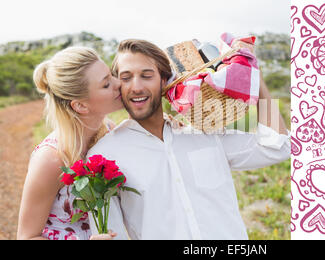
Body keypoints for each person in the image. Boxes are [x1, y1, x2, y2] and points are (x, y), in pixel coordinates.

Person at [87, 39, 290, 239]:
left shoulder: (206, 133)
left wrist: (254, 74)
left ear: (164, 81)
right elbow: (111, 233)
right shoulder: (104, 156)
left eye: (147, 75)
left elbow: (277, 147)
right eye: (126, 77)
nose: (136, 87)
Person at [17, 47, 124, 240]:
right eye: (107, 84)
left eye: (112, 76)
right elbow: (26, 237)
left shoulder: (109, 131)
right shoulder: (51, 158)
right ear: (81, 105)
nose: (119, 83)